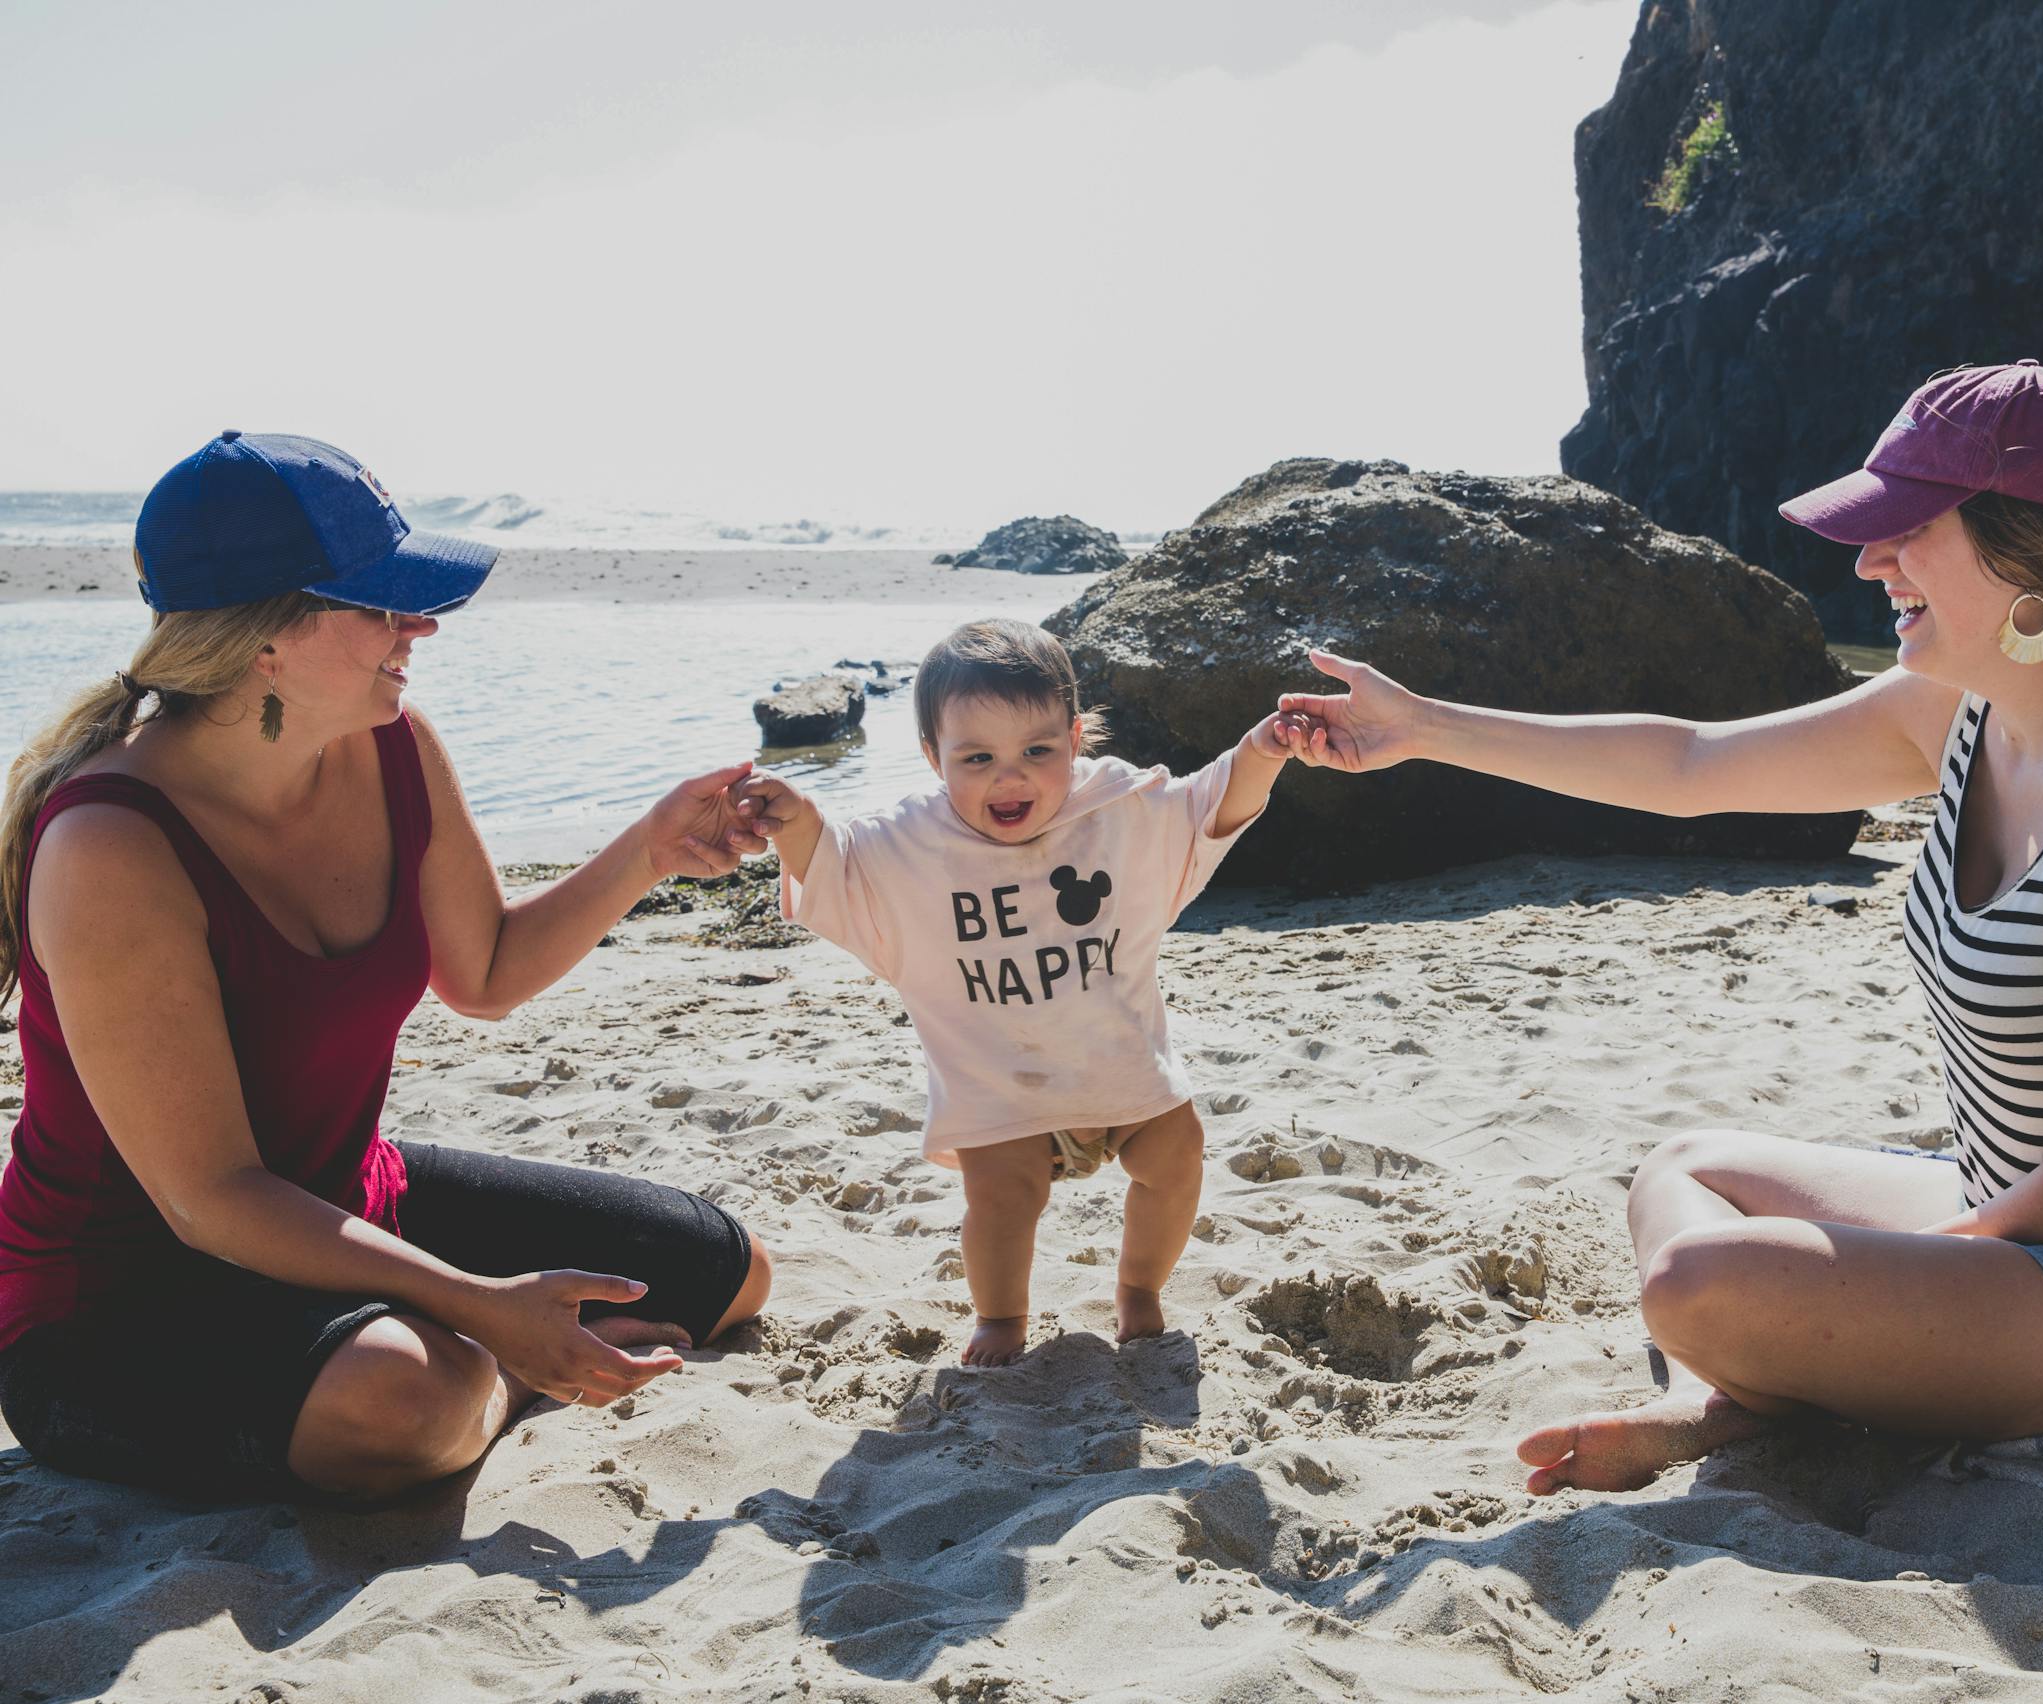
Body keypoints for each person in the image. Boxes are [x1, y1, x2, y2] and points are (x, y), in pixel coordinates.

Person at [1277, 362, 2043, 1489]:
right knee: (1688, 1172)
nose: (1867, 560)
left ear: (2028, 550)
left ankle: (1764, 1389)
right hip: (2029, 1223)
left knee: (1704, 1287)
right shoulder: (1965, 717)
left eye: (1904, 528)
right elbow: (1689, 764)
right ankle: (1744, 1400)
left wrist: (1886, 1276)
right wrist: (1424, 727)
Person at [0, 431, 773, 1501]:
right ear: (267, 637)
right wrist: (476, 1305)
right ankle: (503, 1378)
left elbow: (486, 970)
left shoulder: (392, 741)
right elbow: (211, 1199)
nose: (422, 626)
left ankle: (464, 1346)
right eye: (382, 602)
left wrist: (648, 851)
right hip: (123, 1303)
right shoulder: (110, 844)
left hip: (345, 1201)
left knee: (727, 1272)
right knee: (412, 1402)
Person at [732, 619, 1297, 1366]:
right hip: (1000, 1086)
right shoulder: (913, 843)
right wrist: (795, 819)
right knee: (1002, 1201)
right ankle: (1000, 1315)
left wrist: (1261, 753)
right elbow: (838, 866)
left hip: (1120, 1066)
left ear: (1075, 737)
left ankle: (1138, 1290)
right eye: (977, 757)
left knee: (1178, 1155)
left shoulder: (1115, 810)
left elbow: (1209, 810)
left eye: (1038, 750)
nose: (1011, 777)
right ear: (933, 756)